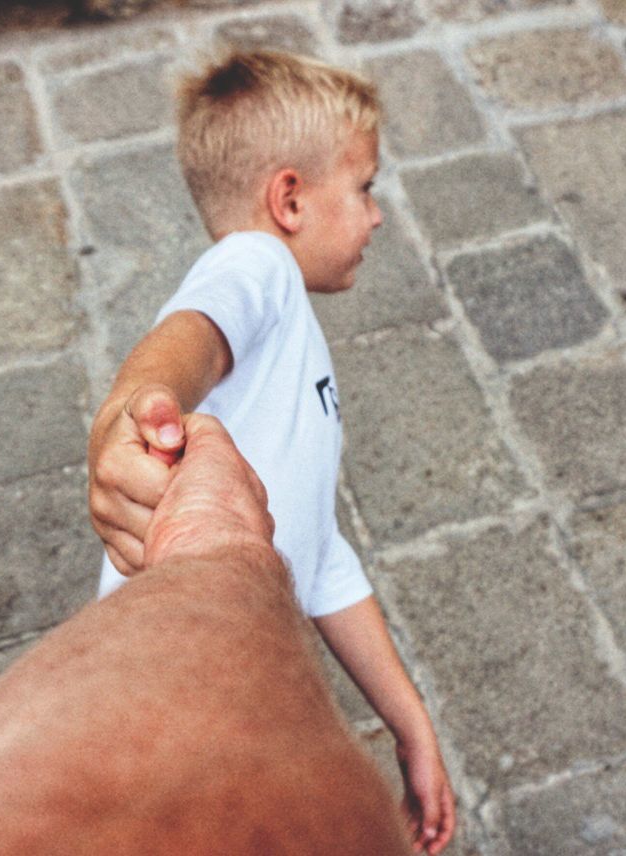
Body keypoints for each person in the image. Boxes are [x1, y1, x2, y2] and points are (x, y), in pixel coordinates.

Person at [88, 49, 455, 854]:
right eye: (363, 188)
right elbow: (191, 336)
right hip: (175, 719)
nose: (377, 214)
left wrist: (410, 723)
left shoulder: (284, 322)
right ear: (288, 198)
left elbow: (321, 560)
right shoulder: (254, 267)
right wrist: (131, 402)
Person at [0, 414, 412, 855]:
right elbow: (184, 343)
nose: (366, 252)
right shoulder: (259, 263)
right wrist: (212, 537)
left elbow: (322, 551)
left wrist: (410, 723)